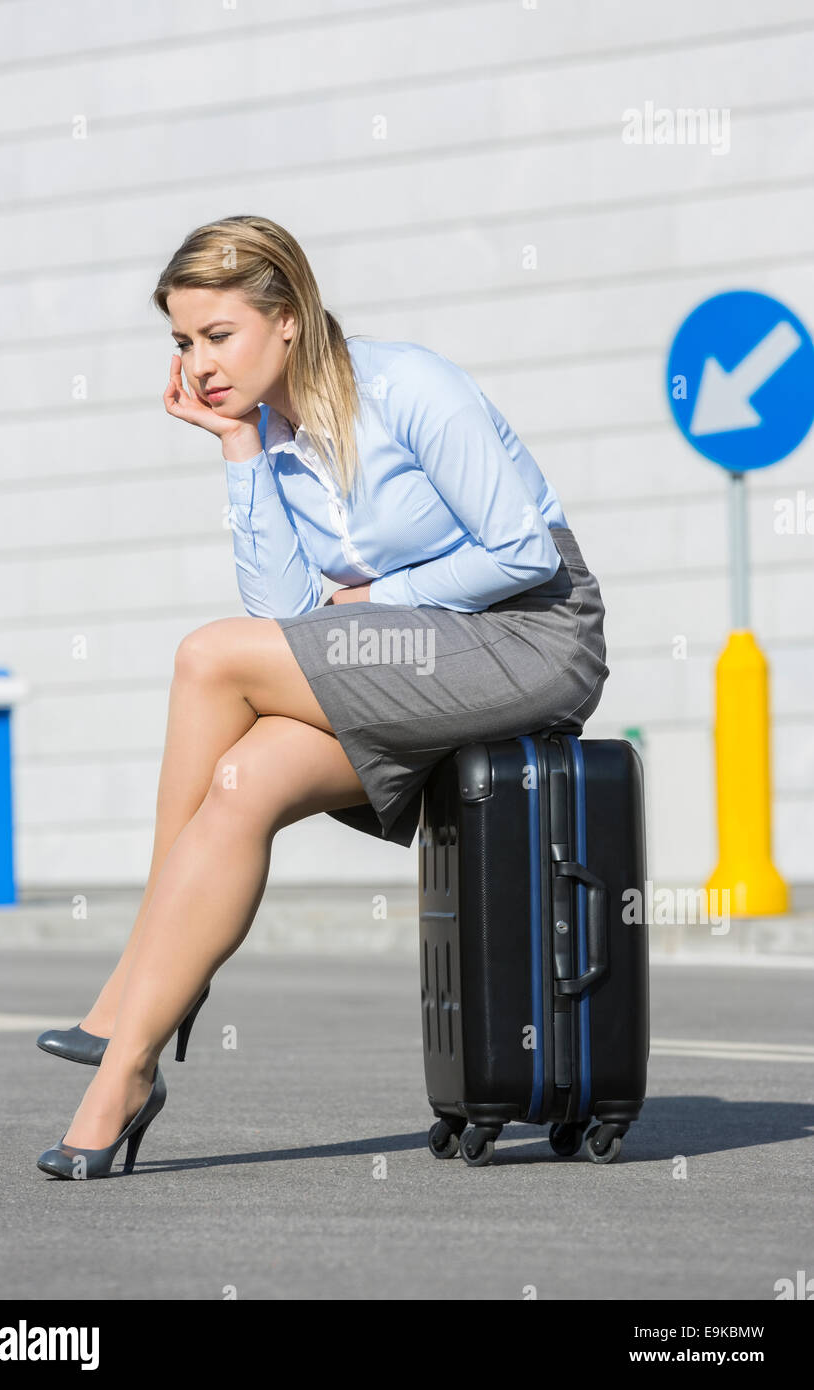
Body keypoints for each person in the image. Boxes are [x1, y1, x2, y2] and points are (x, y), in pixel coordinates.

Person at [35, 214, 609, 1179]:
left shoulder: (407, 386)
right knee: (242, 777)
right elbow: (291, 619)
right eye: (183, 342)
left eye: (219, 336)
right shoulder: (270, 432)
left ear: (289, 317)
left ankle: (140, 972)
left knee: (207, 658)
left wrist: (384, 597)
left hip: (532, 635)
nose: (200, 363)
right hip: (412, 661)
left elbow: (521, 551)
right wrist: (237, 452)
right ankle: (126, 1070)